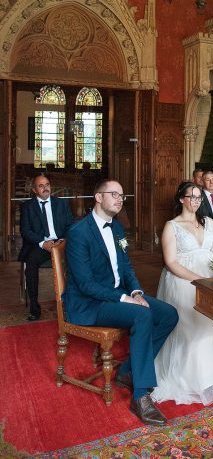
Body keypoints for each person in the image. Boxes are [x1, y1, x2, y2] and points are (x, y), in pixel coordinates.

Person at [63, 179, 178, 425]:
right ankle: (141, 396)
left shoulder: (117, 228)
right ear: (98, 197)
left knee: (169, 314)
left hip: (118, 295)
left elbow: (126, 267)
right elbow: (85, 284)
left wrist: (135, 292)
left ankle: (127, 371)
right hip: (90, 303)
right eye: (114, 194)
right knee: (142, 314)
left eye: (122, 196)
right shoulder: (78, 232)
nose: (119, 199)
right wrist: (125, 298)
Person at [151, 181, 213, 405]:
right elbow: (171, 262)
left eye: (198, 197)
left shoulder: (209, 222)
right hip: (183, 280)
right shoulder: (172, 226)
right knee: (197, 329)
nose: (196, 201)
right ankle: (195, 379)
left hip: (210, 278)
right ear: (181, 199)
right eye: (192, 196)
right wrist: (198, 280)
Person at [19, 174, 73, 321]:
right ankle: (34, 307)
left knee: (78, 259)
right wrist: (43, 243)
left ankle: (72, 302)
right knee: (31, 263)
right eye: (41, 186)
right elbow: (25, 231)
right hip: (41, 244)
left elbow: (70, 225)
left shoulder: (61, 203)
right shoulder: (27, 207)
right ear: (34, 190)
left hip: (60, 243)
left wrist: (62, 240)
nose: (45, 188)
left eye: (47, 185)